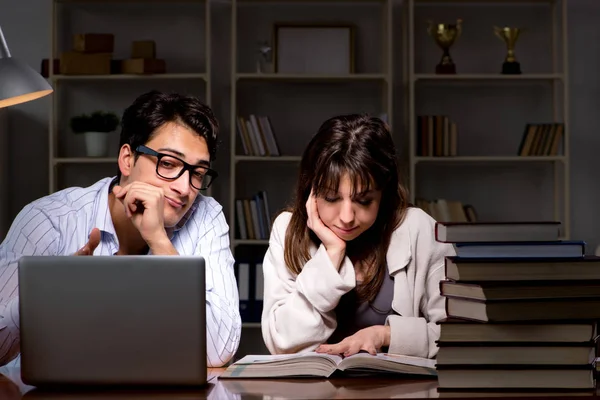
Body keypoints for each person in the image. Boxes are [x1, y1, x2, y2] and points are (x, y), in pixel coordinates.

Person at [0, 90, 241, 367]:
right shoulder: (48, 220)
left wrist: (160, 243)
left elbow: (220, 349)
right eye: (169, 164)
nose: (185, 188)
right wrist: (48, 293)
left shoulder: (206, 217)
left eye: (197, 173)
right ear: (127, 160)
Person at [261, 114, 455, 358]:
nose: (346, 217)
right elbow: (281, 342)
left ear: (383, 194)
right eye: (331, 198)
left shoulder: (419, 229)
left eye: (364, 200)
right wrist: (331, 254)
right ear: (311, 190)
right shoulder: (287, 230)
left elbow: (457, 334)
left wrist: (384, 335)